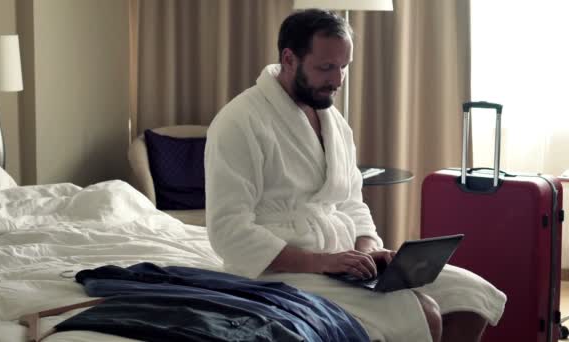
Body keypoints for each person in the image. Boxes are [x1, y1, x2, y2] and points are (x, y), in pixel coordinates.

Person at [205, 9, 506, 342]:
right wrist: (321, 262)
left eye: (344, 67)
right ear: (289, 58)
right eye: (326, 67)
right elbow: (227, 230)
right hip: (275, 270)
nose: (337, 80)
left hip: (342, 263)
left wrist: (366, 248)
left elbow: (350, 201)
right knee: (424, 313)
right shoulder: (239, 122)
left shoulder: (333, 121)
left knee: (471, 297)